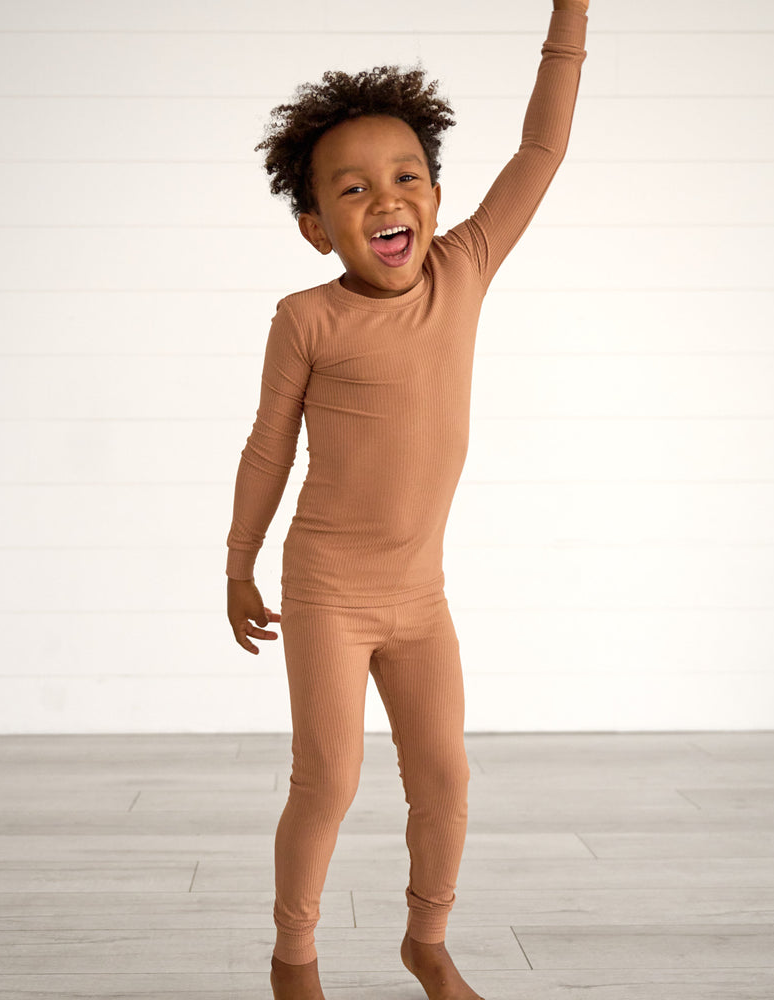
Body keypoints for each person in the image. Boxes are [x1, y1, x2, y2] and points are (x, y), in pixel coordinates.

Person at [226, 3, 588, 997]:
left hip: (420, 597)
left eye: (405, 178)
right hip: (328, 590)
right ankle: (292, 954)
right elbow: (269, 446)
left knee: (445, 776)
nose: (385, 201)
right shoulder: (306, 318)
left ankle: (425, 939)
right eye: (352, 190)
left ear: (434, 194)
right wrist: (236, 561)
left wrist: (571, 16)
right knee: (329, 779)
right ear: (315, 227)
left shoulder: (463, 268)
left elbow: (541, 147)